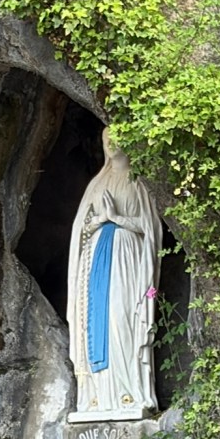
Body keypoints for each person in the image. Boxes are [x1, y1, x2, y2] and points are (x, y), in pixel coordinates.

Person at [67, 128, 161, 421]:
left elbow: (151, 228)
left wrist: (116, 218)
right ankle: (98, 397)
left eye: (118, 138)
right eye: (107, 138)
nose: (111, 143)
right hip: (97, 264)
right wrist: (98, 222)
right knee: (96, 323)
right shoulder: (97, 183)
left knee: (122, 319)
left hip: (127, 261)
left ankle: (129, 391)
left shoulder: (139, 182)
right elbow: (80, 230)